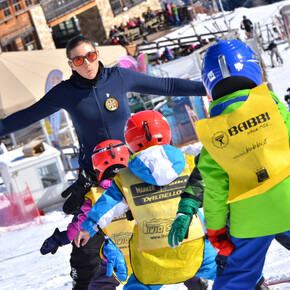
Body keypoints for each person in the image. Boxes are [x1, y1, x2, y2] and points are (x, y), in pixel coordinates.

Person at [0, 35, 206, 216]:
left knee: (152, 223)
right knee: (101, 244)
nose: (87, 64)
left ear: (97, 53)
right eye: (79, 60)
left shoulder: (119, 77)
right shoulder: (65, 92)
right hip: (95, 175)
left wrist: (210, 88)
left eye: (90, 56)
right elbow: (27, 116)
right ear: (71, 64)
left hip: (133, 167)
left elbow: (166, 85)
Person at [168, 39, 290, 290]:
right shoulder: (278, 111)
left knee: (236, 275)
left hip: (249, 219)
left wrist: (215, 230)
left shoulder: (215, 134)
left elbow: (213, 188)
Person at [74, 110, 217, 289]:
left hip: (152, 254)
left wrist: (88, 227)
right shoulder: (189, 164)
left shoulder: (125, 178)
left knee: (139, 285)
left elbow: (107, 205)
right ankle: (258, 284)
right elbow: (216, 187)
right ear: (166, 132)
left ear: (130, 142)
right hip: (195, 245)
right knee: (231, 269)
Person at [40, 139, 133, 289]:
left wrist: (61, 238)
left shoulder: (95, 195)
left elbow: (80, 225)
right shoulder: (136, 187)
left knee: (97, 282)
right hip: (136, 251)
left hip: (107, 256)